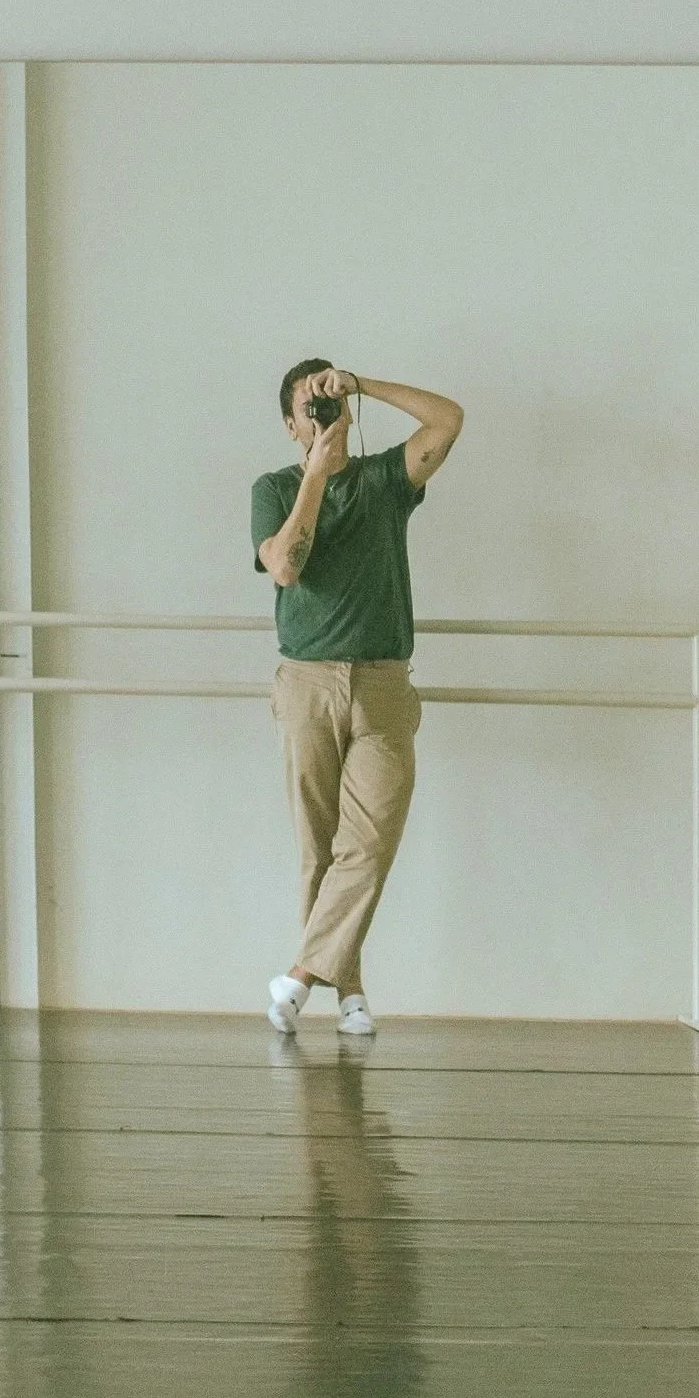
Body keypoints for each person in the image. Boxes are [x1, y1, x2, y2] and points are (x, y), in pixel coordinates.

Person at [251, 359, 464, 1037]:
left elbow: (448, 419)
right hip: (307, 682)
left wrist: (361, 385)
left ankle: (300, 977)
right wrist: (317, 469)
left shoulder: (383, 481)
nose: (320, 417)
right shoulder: (275, 486)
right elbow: (286, 564)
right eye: (308, 409)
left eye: (326, 405)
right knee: (319, 848)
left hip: (381, 682)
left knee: (367, 844)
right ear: (291, 425)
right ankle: (350, 993)